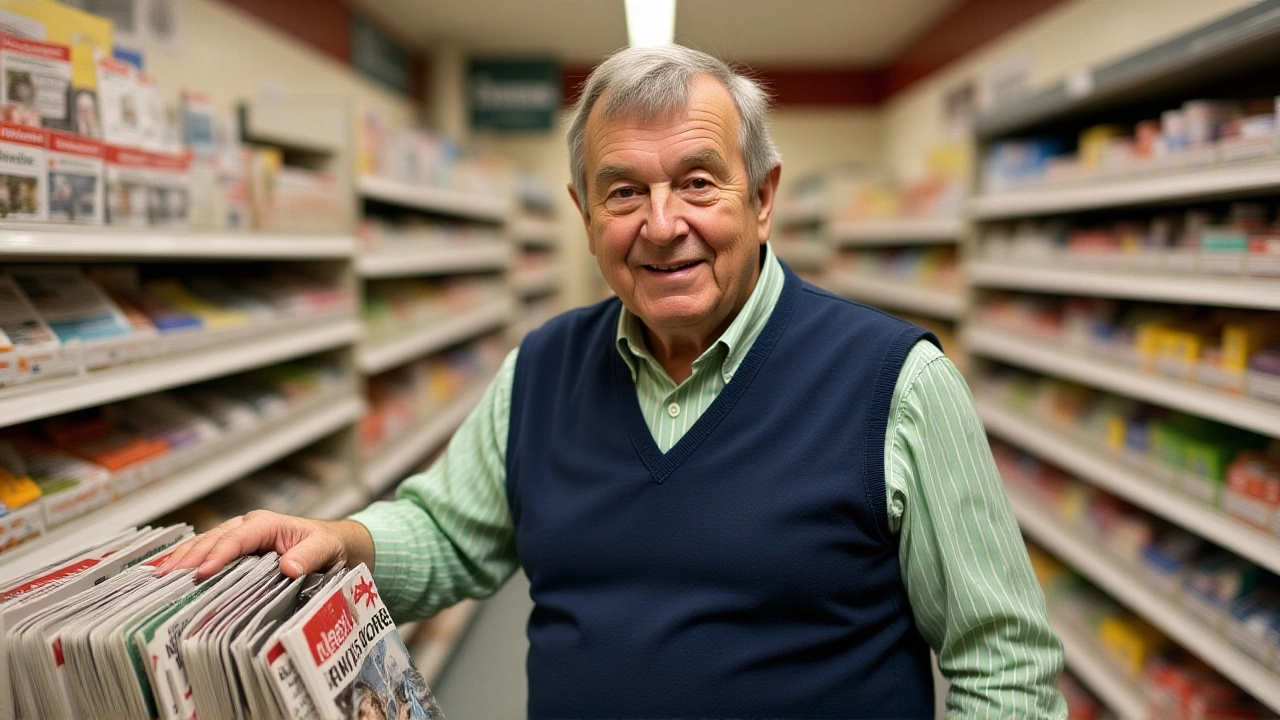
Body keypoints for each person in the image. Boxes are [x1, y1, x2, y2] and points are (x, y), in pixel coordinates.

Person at [160, 45, 1067, 719]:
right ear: (584, 213)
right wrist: (340, 539)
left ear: (762, 197)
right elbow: (447, 533)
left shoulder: (895, 382)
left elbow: (1004, 662)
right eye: (624, 191)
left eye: (698, 182)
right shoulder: (541, 367)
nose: (661, 224)